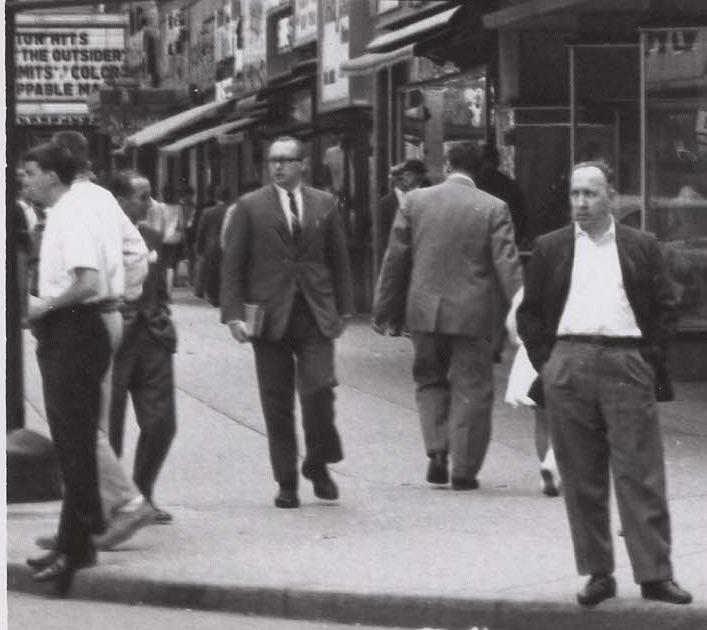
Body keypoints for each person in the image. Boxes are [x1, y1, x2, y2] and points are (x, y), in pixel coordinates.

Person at [514, 159, 691, 609]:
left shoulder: (641, 246)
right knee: (580, 476)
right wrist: (548, 363)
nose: (581, 203)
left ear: (611, 195)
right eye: (575, 194)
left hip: (626, 361)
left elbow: (667, 308)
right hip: (568, 362)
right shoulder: (551, 248)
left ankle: (655, 574)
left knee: (641, 473)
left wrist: (647, 362)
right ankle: (598, 573)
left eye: (590, 194)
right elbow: (530, 313)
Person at [374, 135, 521, 490]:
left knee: (430, 380)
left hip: (424, 311)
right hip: (474, 315)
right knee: (473, 387)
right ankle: (464, 469)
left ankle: (437, 449)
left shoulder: (415, 202)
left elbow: (395, 260)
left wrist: (384, 309)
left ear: (446, 166)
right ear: (479, 170)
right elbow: (507, 265)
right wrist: (522, 309)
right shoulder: (493, 207)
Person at [17, 133, 128, 594]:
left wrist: (45, 307)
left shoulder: (70, 215)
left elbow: (86, 281)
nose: (23, 180)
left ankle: (85, 533)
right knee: (72, 441)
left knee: (75, 443)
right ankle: (72, 543)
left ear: (50, 175)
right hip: (77, 330)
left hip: (73, 329)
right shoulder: (66, 211)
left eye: (29, 173)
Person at [220, 131, 351, 510]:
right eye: (272, 160)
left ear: (302, 165)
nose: (277, 166)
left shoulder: (325, 204)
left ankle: (317, 461)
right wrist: (233, 315)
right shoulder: (249, 206)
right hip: (268, 316)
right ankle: (287, 481)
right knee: (276, 402)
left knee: (319, 391)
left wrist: (344, 309)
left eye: (285, 160)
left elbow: (339, 261)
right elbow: (233, 266)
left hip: (315, 313)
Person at [104, 172, 178, 532]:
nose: (150, 204)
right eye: (142, 197)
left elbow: (159, 282)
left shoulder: (150, 235)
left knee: (162, 423)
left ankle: (143, 492)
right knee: (109, 428)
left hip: (152, 337)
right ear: (119, 201)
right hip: (114, 341)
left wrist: (163, 314)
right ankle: (115, 503)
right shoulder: (98, 237)